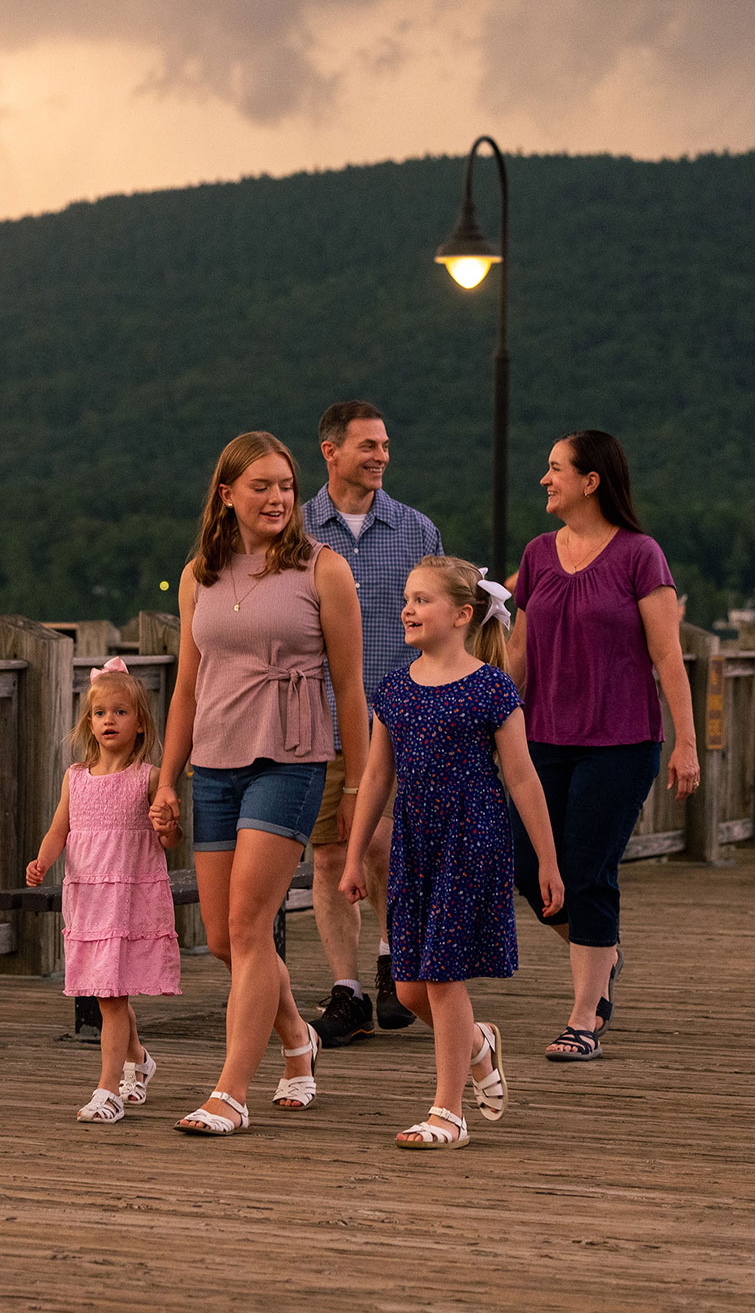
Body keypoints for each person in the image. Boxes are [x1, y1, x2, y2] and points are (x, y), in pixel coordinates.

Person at [151, 431, 367, 1136]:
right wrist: (164, 782)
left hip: (292, 758)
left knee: (250, 925)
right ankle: (299, 1038)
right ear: (227, 495)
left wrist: (360, 784)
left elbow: (350, 686)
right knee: (222, 936)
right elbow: (186, 688)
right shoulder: (198, 575)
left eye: (284, 486)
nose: (277, 499)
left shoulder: (322, 570)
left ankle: (230, 1092)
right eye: (261, 487)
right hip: (213, 763)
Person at [341, 557, 563, 1149]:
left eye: (423, 600)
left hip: (473, 840)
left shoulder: (491, 687)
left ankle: (448, 1110)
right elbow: (375, 778)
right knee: (412, 986)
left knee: (441, 977)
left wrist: (546, 858)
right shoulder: (395, 689)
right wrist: (354, 856)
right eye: (407, 599)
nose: (408, 609)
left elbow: (522, 779)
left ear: (463, 615)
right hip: (416, 844)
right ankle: (478, 1046)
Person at [504, 430, 699, 1063]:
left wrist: (686, 743)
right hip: (542, 741)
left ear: (591, 481)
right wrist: (481, 714)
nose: (545, 479)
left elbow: (668, 654)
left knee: (587, 871)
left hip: (620, 740)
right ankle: (603, 950)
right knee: (529, 869)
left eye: (555, 468)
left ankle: (584, 1015)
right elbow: (518, 659)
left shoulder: (641, 556)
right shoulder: (537, 554)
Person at [300, 400, 444, 1046]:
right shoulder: (296, 530)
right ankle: (347, 989)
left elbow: (443, 620)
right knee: (330, 854)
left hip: (401, 719)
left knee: (385, 847)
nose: (382, 455)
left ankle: (394, 960)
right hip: (321, 721)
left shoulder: (417, 531)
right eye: (368, 446)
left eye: (385, 445)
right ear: (330, 451)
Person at [24, 659, 183, 1122]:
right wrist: (43, 861)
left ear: (140, 723)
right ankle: (140, 1061)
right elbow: (59, 829)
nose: (108, 720)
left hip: (130, 899)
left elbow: (169, 840)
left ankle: (106, 1089)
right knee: (107, 991)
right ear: (88, 723)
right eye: (100, 713)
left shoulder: (149, 778)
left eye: (120, 712)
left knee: (112, 995)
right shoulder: (76, 777)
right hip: (90, 898)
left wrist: (169, 827)